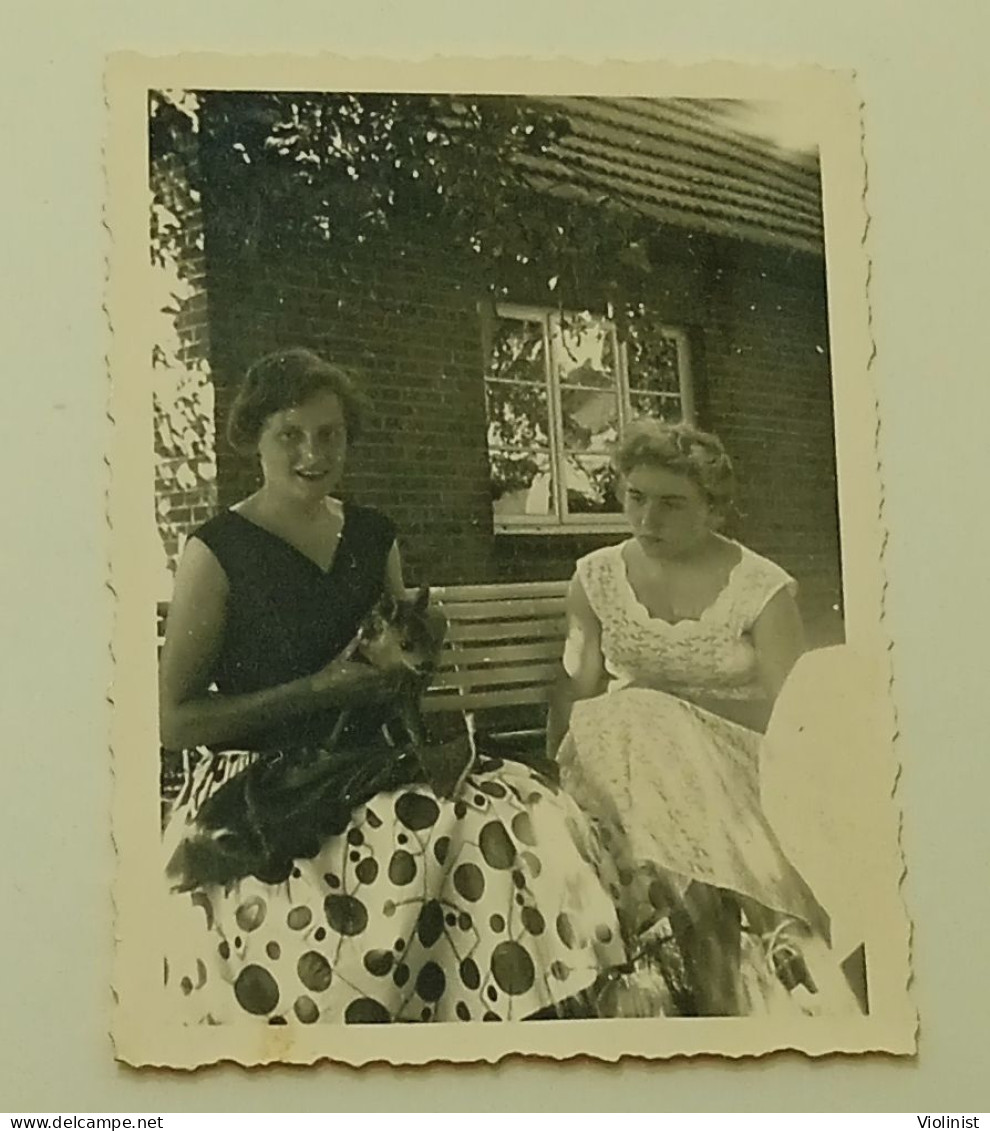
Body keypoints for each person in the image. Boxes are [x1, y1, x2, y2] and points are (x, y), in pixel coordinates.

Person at [158, 347, 624, 1025]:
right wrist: (321, 689)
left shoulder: (373, 534)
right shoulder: (218, 549)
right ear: (253, 437)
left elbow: (399, 655)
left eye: (330, 435)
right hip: (264, 783)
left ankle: (510, 1037)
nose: (312, 453)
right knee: (422, 828)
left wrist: (413, 649)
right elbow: (173, 721)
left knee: (519, 808)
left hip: (371, 761)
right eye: (290, 434)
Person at [547, 419, 858, 1017]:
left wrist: (676, 708)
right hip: (621, 760)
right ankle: (760, 936)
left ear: (713, 509)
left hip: (742, 763)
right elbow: (577, 687)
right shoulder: (597, 578)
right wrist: (548, 766)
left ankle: (716, 968)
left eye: (671, 504)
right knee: (635, 712)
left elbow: (795, 712)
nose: (647, 519)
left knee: (646, 710)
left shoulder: (760, 590)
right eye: (635, 498)